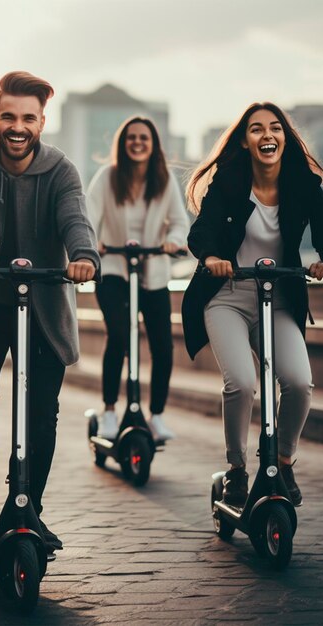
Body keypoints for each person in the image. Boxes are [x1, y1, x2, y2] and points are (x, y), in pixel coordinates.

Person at [0, 71, 100, 551]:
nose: (17, 126)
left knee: (41, 412)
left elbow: (74, 215)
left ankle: (26, 503)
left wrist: (85, 256)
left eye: (28, 118)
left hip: (44, 305)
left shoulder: (61, 169)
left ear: (41, 122)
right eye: (9, 116)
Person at [182, 102, 323, 508]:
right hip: (228, 297)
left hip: (281, 297)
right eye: (256, 129)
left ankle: (283, 463)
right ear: (245, 141)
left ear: (285, 139)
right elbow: (201, 233)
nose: (267, 135)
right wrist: (214, 257)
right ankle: (236, 470)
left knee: (300, 383)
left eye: (275, 128)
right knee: (242, 383)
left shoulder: (302, 185)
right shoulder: (230, 180)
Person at [86, 116, 189, 441]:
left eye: (144, 138)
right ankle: (110, 412)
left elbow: (179, 222)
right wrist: (93, 244)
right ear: (123, 142)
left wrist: (173, 240)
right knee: (118, 336)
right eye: (131, 137)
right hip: (114, 270)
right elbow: (88, 219)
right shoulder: (107, 177)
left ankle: (156, 415)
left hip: (153, 273)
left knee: (162, 346)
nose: (137, 142)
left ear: (153, 144)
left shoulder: (164, 179)